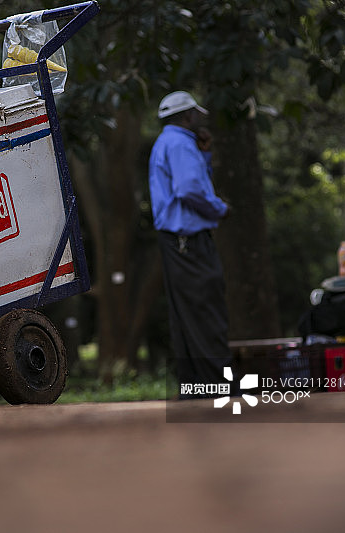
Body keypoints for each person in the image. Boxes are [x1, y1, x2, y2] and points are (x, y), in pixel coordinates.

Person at [148, 91, 231, 398]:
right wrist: (220, 209)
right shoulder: (181, 144)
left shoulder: (166, 143)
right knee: (207, 310)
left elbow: (189, 183)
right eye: (196, 115)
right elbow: (189, 191)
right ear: (187, 116)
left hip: (175, 243)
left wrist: (205, 155)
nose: (198, 120)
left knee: (187, 315)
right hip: (191, 242)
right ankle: (219, 389)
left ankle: (196, 388)